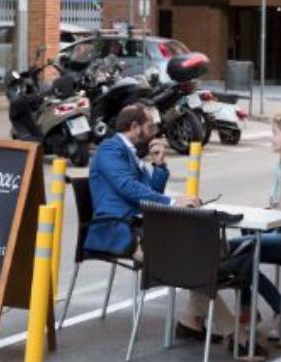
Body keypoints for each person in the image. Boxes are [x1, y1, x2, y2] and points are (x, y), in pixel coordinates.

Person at [224, 112, 281, 337]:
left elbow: (278, 213)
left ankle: (278, 310)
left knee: (235, 247)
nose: (271, 138)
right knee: (244, 247)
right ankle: (253, 310)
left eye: (275, 133)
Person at [84, 104, 200, 256]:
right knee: (184, 241)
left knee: (194, 230)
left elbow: (151, 193)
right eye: (150, 127)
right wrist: (171, 202)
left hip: (138, 223)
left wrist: (159, 165)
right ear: (135, 127)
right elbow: (127, 186)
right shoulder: (109, 149)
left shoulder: (131, 152)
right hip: (116, 228)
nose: (155, 132)